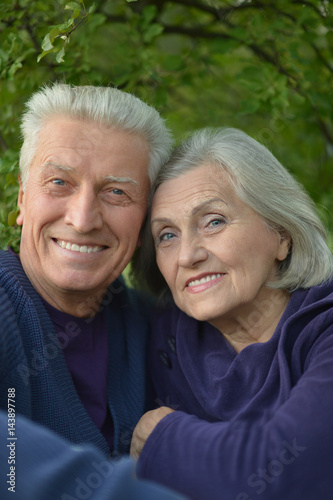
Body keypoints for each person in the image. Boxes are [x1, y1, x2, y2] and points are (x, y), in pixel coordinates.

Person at [130, 128, 333, 500]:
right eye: (167, 236)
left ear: (282, 234)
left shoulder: (324, 328)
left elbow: (293, 473)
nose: (188, 255)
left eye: (214, 221)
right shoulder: (160, 336)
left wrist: (162, 435)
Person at [0, 82, 173, 459]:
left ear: (146, 219)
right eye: (59, 182)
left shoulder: (157, 324)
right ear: (23, 198)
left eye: (116, 193)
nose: (82, 220)